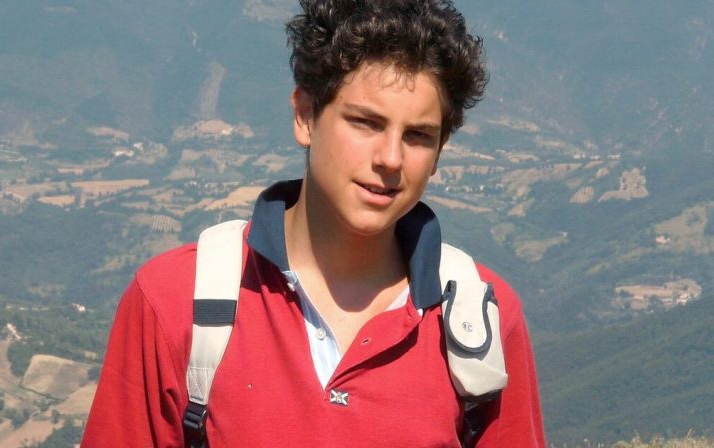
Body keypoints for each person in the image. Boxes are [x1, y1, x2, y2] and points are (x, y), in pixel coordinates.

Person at [81, 0, 546, 446]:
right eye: (365, 123)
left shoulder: (480, 324)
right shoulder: (175, 303)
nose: (390, 158)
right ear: (305, 115)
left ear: (440, 152)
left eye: (418, 136)